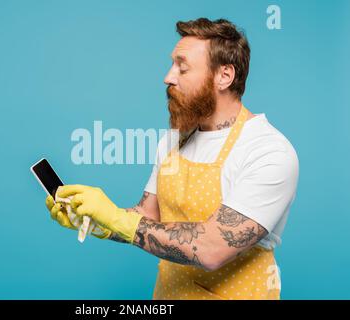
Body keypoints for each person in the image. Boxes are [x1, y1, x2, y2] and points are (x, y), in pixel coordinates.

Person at [45, 17, 299, 300]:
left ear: (224, 76)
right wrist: (94, 220)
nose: (168, 76)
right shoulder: (174, 139)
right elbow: (148, 217)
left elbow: (212, 247)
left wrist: (116, 219)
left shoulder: (267, 151)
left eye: (182, 67)